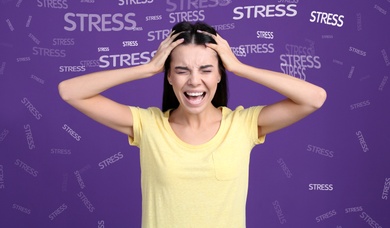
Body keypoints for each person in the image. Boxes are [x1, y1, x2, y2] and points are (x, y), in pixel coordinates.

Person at [58, 21, 326, 228]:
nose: (194, 81)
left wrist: (238, 66)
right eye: (182, 70)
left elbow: (314, 98)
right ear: (169, 77)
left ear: (219, 75)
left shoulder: (243, 125)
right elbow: (70, 91)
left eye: (206, 70)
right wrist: (148, 68)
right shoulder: (149, 126)